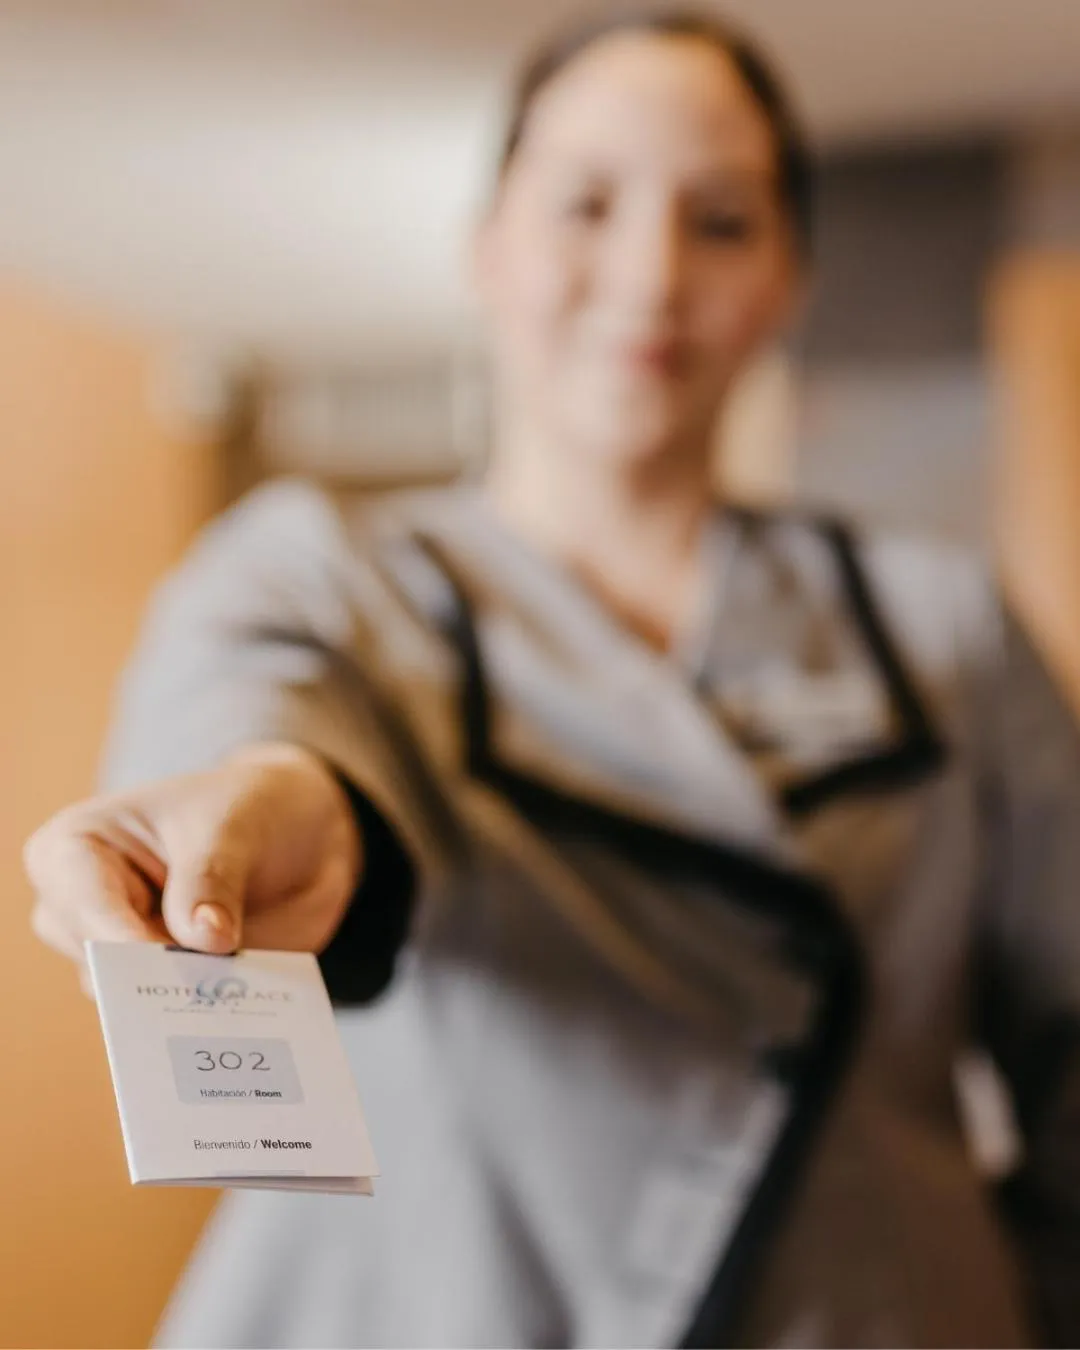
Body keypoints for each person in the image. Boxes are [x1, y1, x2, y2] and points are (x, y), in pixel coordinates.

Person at [23, 7, 1080, 1348]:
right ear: (488, 247)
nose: (649, 274)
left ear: (789, 279)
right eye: (587, 203)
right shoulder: (324, 571)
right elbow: (263, 712)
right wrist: (269, 813)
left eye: (721, 220)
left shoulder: (945, 625)